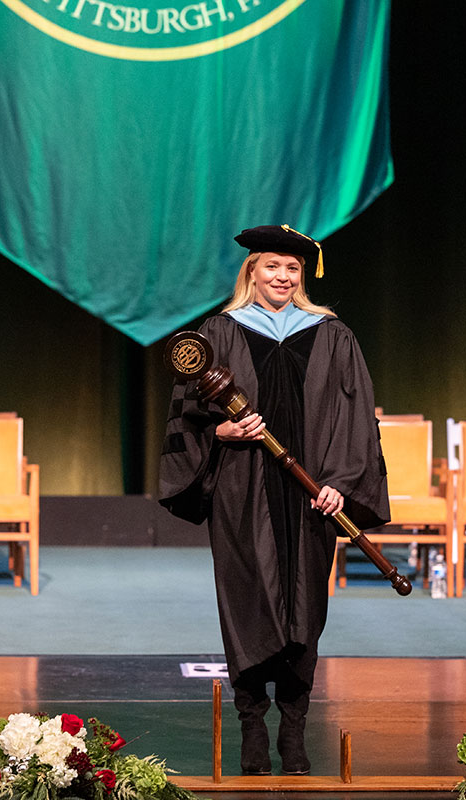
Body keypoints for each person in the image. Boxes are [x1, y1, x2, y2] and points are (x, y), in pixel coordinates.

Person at [159, 225, 390, 776]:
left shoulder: (333, 336)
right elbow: (186, 417)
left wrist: (342, 481)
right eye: (272, 267)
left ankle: (293, 728)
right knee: (247, 603)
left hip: (313, 496)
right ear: (252, 272)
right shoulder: (219, 331)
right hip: (242, 490)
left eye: (293, 270)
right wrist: (222, 435)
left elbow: (356, 419)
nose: (283, 278)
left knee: (305, 609)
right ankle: (251, 728)